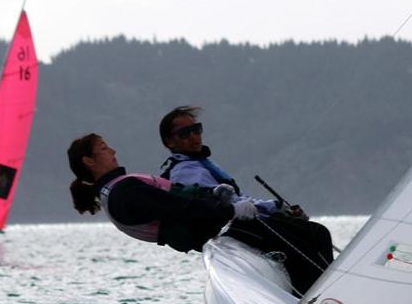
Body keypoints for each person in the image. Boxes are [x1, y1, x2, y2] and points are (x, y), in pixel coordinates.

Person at [157, 106, 334, 293]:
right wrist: (274, 206)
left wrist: (277, 208)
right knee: (315, 233)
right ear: (170, 142)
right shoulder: (185, 171)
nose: (194, 136)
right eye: (185, 133)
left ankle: (321, 297)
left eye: (196, 129)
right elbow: (221, 202)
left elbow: (239, 199)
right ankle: (323, 300)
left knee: (312, 232)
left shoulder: (196, 164)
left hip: (239, 223)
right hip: (231, 228)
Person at [67, 133, 257, 255]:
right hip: (223, 231)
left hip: (213, 237)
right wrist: (231, 211)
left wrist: (213, 193)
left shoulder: (113, 193)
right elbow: (182, 207)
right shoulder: (124, 193)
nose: (112, 150)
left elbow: (178, 200)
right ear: (89, 161)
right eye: (103, 148)